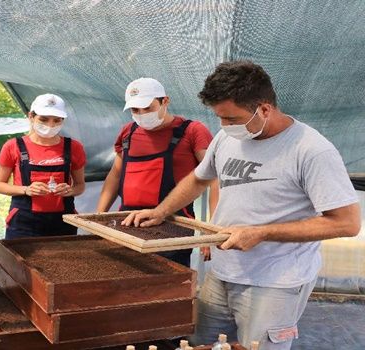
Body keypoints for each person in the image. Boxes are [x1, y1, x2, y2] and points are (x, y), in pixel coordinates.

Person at [122, 61, 361, 350]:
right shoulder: (227, 137)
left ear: (264, 109)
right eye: (220, 118)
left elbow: (346, 222)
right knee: (199, 343)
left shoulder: (311, 150)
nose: (224, 126)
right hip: (223, 273)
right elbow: (199, 179)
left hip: (276, 281)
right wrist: (161, 211)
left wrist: (261, 232)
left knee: (257, 346)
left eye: (232, 118)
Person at [97, 77, 216, 266]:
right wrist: (99, 219)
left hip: (173, 228)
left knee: (166, 289)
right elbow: (115, 175)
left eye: (148, 108)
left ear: (165, 101)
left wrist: (210, 230)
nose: (142, 114)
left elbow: (215, 178)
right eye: (135, 110)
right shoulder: (128, 132)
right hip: (127, 224)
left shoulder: (193, 131)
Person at [0, 94, 86, 239]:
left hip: (63, 222)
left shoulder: (74, 147)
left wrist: (69, 190)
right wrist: (26, 189)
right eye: (43, 120)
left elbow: (80, 186)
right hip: (23, 223)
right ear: (31, 116)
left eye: (57, 121)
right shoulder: (14, 146)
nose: (50, 125)